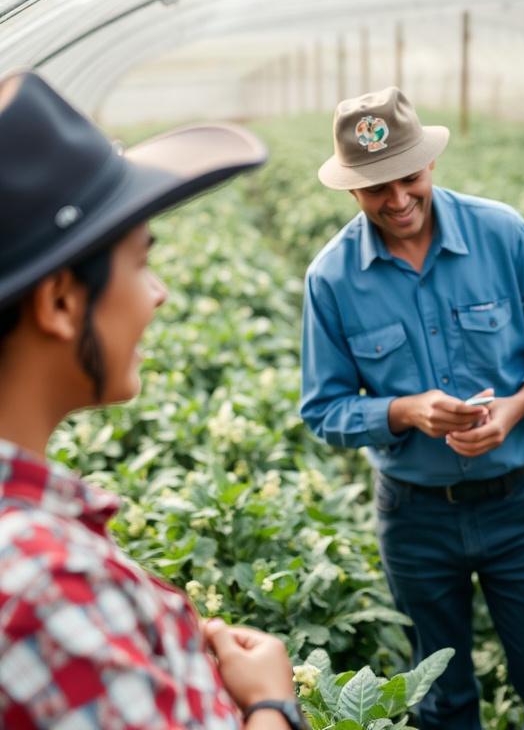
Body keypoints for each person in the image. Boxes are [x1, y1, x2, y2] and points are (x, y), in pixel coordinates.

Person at [0, 72, 307, 729]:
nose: (159, 293)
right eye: (141, 262)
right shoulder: (47, 587)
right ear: (60, 302)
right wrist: (271, 705)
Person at [300, 86, 524, 729]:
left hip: (518, 505)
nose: (398, 199)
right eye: (376, 188)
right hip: (415, 520)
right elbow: (322, 409)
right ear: (351, 189)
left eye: (408, 177)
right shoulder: (331, 279)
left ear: (429, 164)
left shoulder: (502, 234)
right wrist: (406, 411)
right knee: (441, 695)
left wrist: (514, 410)